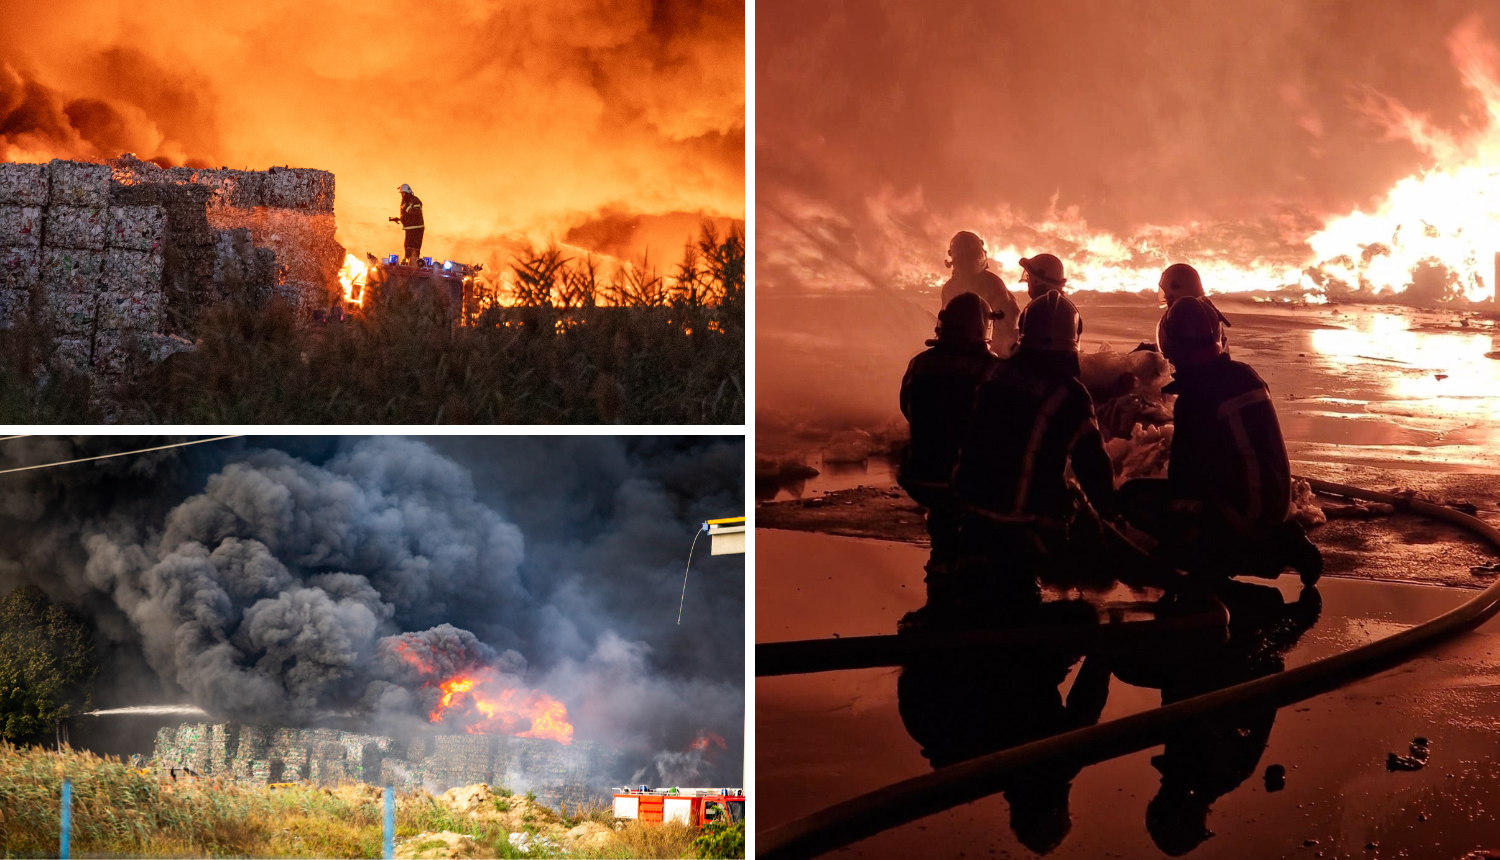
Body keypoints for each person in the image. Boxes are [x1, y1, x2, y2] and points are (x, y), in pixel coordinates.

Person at [943, 291, 1163, 622]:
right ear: (1072, 342)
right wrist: (1110, 514)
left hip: (969, 512)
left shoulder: (995, 375)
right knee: (1092, 564)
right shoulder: (1069, 394)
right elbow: (1092, 465)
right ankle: (1100, 608)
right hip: (1027, 523)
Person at [1120, 296, 1322, 584]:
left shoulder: (1196, 398)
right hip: (1275, 503)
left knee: (1134, 499)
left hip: (1245, 516)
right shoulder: (1245, 375)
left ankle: (1226, 557)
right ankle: (1279, 538)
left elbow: (1185, 482)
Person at [898, 293, 1003, 569]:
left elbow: (907, 410)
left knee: (943, 528)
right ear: (983, 328)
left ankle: (941, 565)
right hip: (966, 481)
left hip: (918, 476)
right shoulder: (991, 369)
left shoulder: (919, 364)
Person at [940, 231, 1019, 354]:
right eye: (965, 258)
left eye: (972, 256)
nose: (969, 262)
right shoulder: (950, 287)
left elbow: (1007, 324)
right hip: (961, 352)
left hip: (983, 351)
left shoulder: (992, 284)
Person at [390, 183, 425, 264]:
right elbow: (407, 216)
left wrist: (406, 207)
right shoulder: (404, 202)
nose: (402, 195)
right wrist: (398, 219)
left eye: (403, 193)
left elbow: (416, 212)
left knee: (414, 247)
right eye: (401, 193)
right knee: (407, 246)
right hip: (409, 228)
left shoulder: (415, 200)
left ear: (408, 192)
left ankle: (414, 263)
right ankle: (407, 261)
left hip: (417, 228)